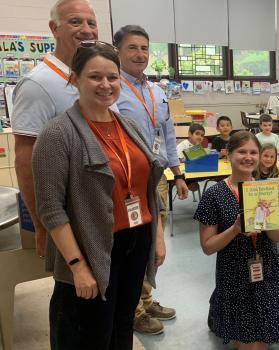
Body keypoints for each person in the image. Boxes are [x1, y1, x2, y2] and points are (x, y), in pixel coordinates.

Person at [31, 41, 165, 350]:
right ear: (74, 79)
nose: (105, 85)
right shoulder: (57, 134)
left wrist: (156, 236)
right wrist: (77, 266)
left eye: (112, 77)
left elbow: (147, 187)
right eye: (94, 77)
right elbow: (51, 209)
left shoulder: (128, 125)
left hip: (135, 241)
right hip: (91, 249)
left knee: (121, 326)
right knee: (89, 334)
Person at [194, 131, 279, 349]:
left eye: (253, 152)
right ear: (229, 154)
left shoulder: (266, 188)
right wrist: (234, 229)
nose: (248, 157)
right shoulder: (214, 195)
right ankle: (221, 311)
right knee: (253, 345)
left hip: (267, 266)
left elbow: (277, 237)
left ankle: (221, 311)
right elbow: (207, 247)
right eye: (242, 151)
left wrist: (274, 212)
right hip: (235, 273)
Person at [12, 0, 98, 257]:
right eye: (75, 21)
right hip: (68, 214)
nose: (86, 30)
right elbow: (25, 161)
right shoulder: (38, 84)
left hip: (98, 207)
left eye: (91, 23)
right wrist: (41, 225)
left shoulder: (92, 79)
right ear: (54, 28)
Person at [113, 24, 183, 335]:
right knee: (132, 242)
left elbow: (167, 134)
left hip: (156, 177)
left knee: (153, 242)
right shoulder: (113, 89)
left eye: (144, 48)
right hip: (127, 179)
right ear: (118, 51)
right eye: (132, 47)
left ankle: (145, 295)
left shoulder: (156, 92)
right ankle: (133, 309)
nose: (139, 54)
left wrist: (177, 172)